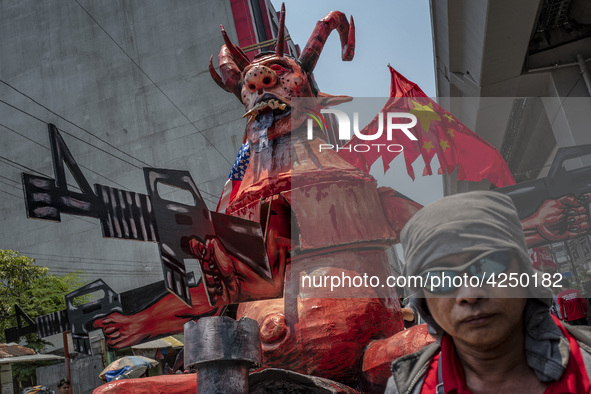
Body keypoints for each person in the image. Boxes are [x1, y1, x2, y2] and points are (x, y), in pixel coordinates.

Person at [385, 191, 591, 393]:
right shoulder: (408, 387)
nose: (469, 294)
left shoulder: (585, 366)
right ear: (425, 302)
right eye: (440, 279)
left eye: (488, 266)